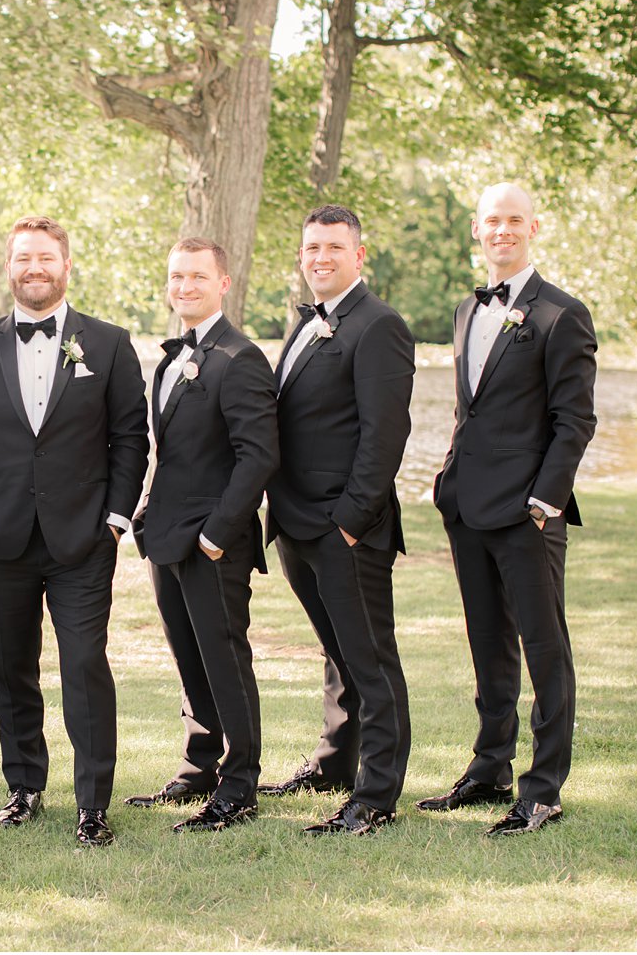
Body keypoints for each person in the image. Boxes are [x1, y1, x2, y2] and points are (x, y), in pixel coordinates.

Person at [0, 216, 149, 846]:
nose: (35, 269)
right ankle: (25, 786)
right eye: (23, 259)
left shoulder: (110, 344)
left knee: (85, 665)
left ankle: (93, 803)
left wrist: (116, 519)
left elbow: (128, 438)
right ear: (8, 266)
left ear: (66, 266)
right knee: (10, 667)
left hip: (82, 539)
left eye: (46, 259)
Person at [418, 182, 597, 835]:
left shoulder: (561, 314)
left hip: (528, 513)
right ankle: (489, 769)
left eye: (514, 220)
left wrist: (546, 501)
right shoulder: (469, 311)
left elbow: (574, 419)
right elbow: (473, 409)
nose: (503, 230)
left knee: (545, 650)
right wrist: (446, 481)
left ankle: (542, 790)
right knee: (487, 644)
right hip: (466, 507)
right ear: (476, 229)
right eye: (492, 220)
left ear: (534, 227)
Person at [260, 205, 415, 836]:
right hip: (297, 522)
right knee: (336, 654)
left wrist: (350, 520)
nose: (320, 258)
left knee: (370, 660)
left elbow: (386, 434)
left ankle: (375, 797)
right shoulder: (307, 324)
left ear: (359, 253)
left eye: (333, 247)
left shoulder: (378, 325)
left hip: (345, 528)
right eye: (311, 248)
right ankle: (334, 764)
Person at [128, 237, 279, 833]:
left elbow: (258, 457)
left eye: (197, 276)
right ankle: (199, 767)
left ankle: (239, 785)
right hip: (165, 537)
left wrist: (218, 534)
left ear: (224, 283)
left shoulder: (240, 358)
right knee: (188, 658)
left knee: (224, 659)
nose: (184, 286)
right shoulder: (170, 360)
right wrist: (145, 511)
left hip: (213, 543)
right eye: (176, 276)